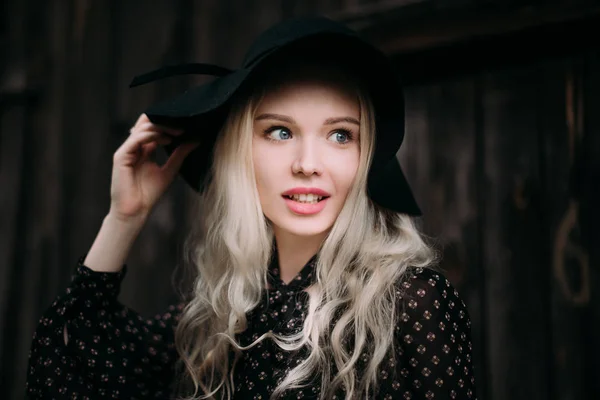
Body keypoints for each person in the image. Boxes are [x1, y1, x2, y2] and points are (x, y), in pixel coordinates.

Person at [26, 17, 477, 399]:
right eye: (280, 132)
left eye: (340, 134)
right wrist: (125, 218)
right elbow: (61, 372)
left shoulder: (410, 302)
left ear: (366, 158)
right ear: (242, 150)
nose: (307, 165)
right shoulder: (217, 317)